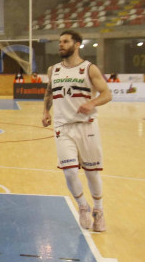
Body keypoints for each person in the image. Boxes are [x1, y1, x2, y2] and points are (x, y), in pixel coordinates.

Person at [42, 29, 112, 232]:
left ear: (77, 44)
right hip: (63, 127)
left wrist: (93, 103)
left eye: (65, 41)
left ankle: (98, 210)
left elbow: (107, 94)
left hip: (86, 126)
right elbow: (48, 93)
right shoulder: (53, 70)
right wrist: (45, 111)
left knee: (91, 174)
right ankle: (82, 206)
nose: (60, 45)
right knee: (70, 172)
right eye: (59, 42)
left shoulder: (89, 69)